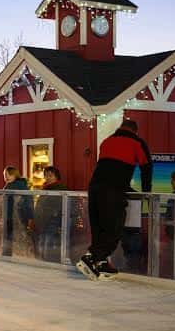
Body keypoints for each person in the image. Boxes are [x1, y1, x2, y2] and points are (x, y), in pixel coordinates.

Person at [77, 119, 152, 281]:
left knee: (99, 226)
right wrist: (147, 192)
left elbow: (106, 167)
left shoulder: (107, 141)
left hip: (94, 187)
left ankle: (102, 263)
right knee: (114, 226)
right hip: (113, 190)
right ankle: (91, 257)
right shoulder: (136, 142)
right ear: (135, 131)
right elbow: (147, 167)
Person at [33, 166, 66, 261]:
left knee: (48, 244)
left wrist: (54, 217)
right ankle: (42, 263)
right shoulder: (46, 188)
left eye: (50, 175)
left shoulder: (60, 189)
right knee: (41, 244)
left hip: (52, 222)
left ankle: (48, 263)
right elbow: (41, 205)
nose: (48, 178)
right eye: (46, 175)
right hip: (42, 222)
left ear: (56, 177)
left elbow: (57, 207)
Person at [2, 166, 34, 257]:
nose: (6, 177)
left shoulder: (18, 186)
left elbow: (28, 202)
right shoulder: (9, 185)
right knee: (10, 235)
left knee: (15, 236)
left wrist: (30, 217)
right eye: (5, 175)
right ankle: (10, 254)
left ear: (15, 175)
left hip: (17, 216)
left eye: (9, 175)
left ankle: (13, 254)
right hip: (10, 216)